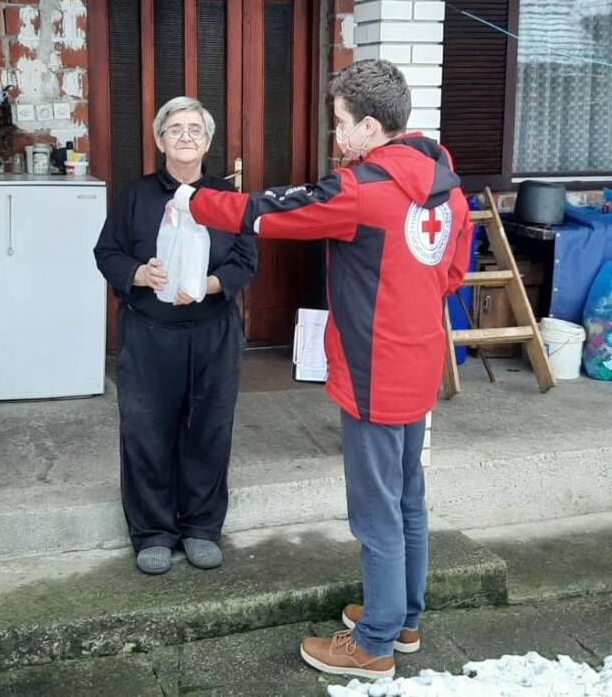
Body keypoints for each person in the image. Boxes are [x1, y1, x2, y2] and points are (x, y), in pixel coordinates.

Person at [174, 60, 474, 678]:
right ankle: (404, 617)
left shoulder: (362, 188)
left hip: (372, 369)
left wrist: (196, 200)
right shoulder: (448, 186)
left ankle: (375, 644)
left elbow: (268, 213)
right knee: (408, 499)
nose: (336, 136)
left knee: (374, 511)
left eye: (340, 123)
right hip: (418, 361)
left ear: (369, 126)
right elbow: (451, 275)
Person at [94, 96, 258, 576]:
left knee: (209, 428)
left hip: (212, 331)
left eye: (195, 129)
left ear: (207, 142)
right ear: (159, 139)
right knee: (147, 430)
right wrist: (141, 275)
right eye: (175, 129)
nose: (185, 137)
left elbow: (246, 259)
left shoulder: (228, 200)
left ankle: (202, 528)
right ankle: (153, 532)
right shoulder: (137, 196)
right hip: (150, 333)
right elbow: (107, 253)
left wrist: (207, 285)